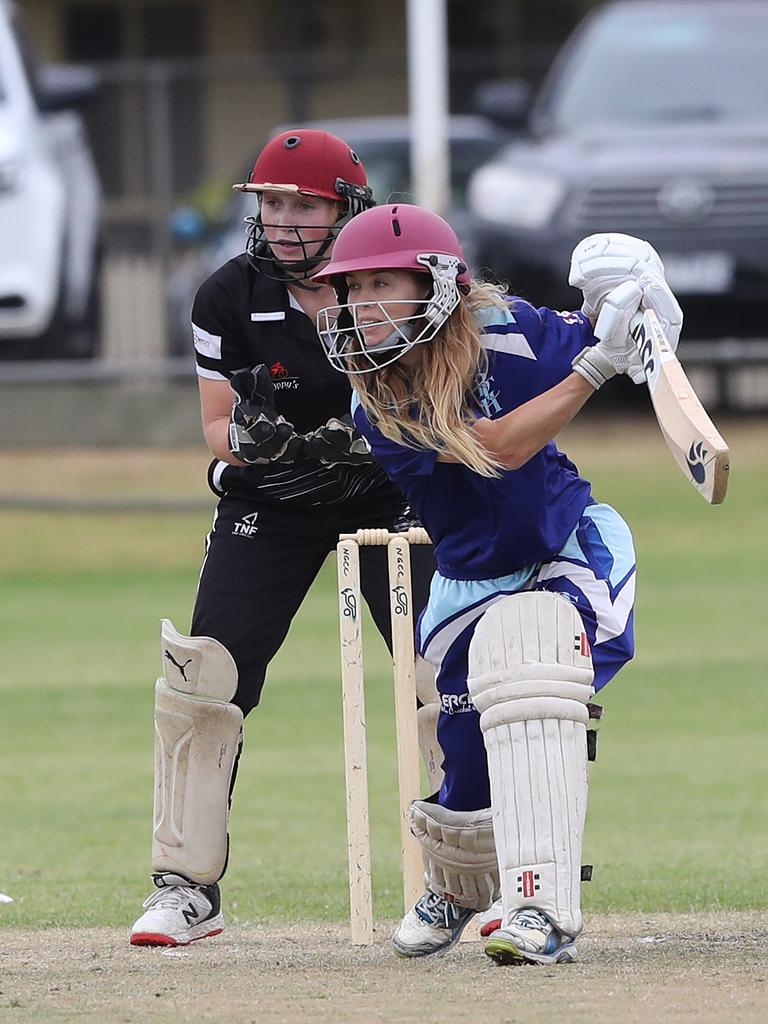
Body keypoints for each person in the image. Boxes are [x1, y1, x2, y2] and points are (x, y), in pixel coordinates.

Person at [312, 204, 683, 965]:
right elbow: (497, 449)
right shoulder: (373, 400)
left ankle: (542, 909)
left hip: (569, 549)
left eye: (384, 282)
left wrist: (640, 308)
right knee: (467, 749)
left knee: (533, 685)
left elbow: (616, 342)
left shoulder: (509, 329)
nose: (361, 304)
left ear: (440, 286)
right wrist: (594, 368)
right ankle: (459, 881)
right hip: (469, 581)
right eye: (352, 288)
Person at [129, 132, 438, 947]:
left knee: (446, 672)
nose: (284, 220)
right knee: (203, 680)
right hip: (274, 498)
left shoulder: (392, 280)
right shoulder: (226, 297)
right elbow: (217, 430)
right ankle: (186, 888)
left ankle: (469, 873)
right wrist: (269, 446)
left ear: (347, 208)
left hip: (394, 492)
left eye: (304, 204)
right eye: (271, 203)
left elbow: (441, 399)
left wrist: (369, 439)